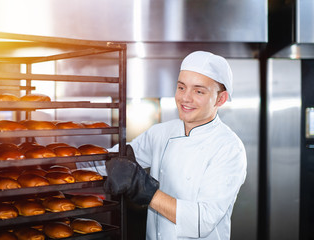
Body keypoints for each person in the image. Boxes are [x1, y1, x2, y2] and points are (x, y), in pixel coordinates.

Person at [104, 51, 247, 240]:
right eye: (181, 87)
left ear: (220, 99)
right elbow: (111, 161)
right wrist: (59, 162)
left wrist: (146, 190)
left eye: (198, 91)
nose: (185, 98)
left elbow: (203, 220)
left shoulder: (229, 148)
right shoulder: (161, 133)